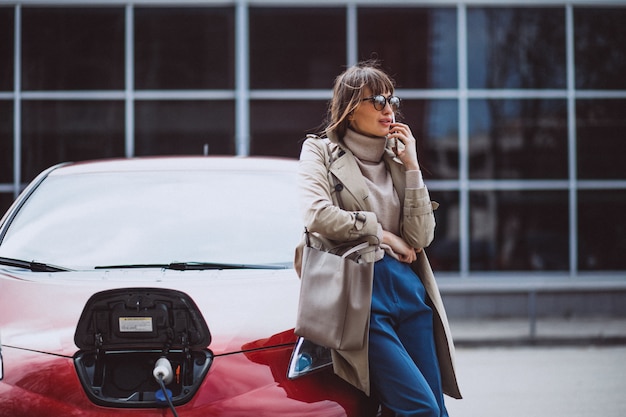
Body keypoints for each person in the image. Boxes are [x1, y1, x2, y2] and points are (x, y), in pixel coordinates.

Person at [297, 61, 462, 416]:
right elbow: (317, 214)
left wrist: (413, 166)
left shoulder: (396, 158)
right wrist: (383, 233)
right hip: (360, 294)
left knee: (437, 410)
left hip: (409, 290)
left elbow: (421, 237)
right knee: (421, 410)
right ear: (350, 108)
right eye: (378, 101)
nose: (389, 109)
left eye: (392, 100)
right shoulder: (320, 152)